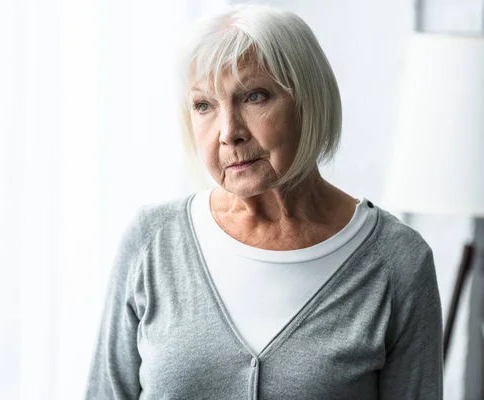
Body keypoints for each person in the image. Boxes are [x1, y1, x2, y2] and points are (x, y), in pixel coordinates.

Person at [85, 4, 443, 399]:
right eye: (204, 105)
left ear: (309, 100)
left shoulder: (397, 261)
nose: (228, 132)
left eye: (254, 96)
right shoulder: (152, 241)